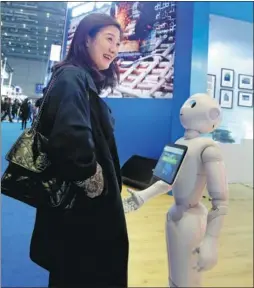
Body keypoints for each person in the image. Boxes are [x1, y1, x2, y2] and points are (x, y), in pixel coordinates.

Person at [29, 13, 129, 287]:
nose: (114, 49)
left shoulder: (76, 78)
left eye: (118, 43)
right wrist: (95, 183)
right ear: (86, 39)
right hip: (84, 217)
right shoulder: (73, 77)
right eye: (109, 39)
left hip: (78, 215)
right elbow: (71, 138)